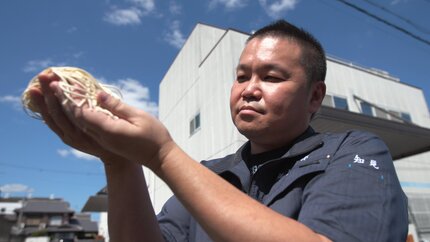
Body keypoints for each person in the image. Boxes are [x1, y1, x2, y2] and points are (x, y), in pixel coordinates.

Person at [29, 20, 408, 241]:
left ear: (314, 97)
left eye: (272, 77)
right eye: (241, 76)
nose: (249, 89)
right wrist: (119, 161)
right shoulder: (210, 172)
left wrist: (161, 153)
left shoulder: (351, 151)